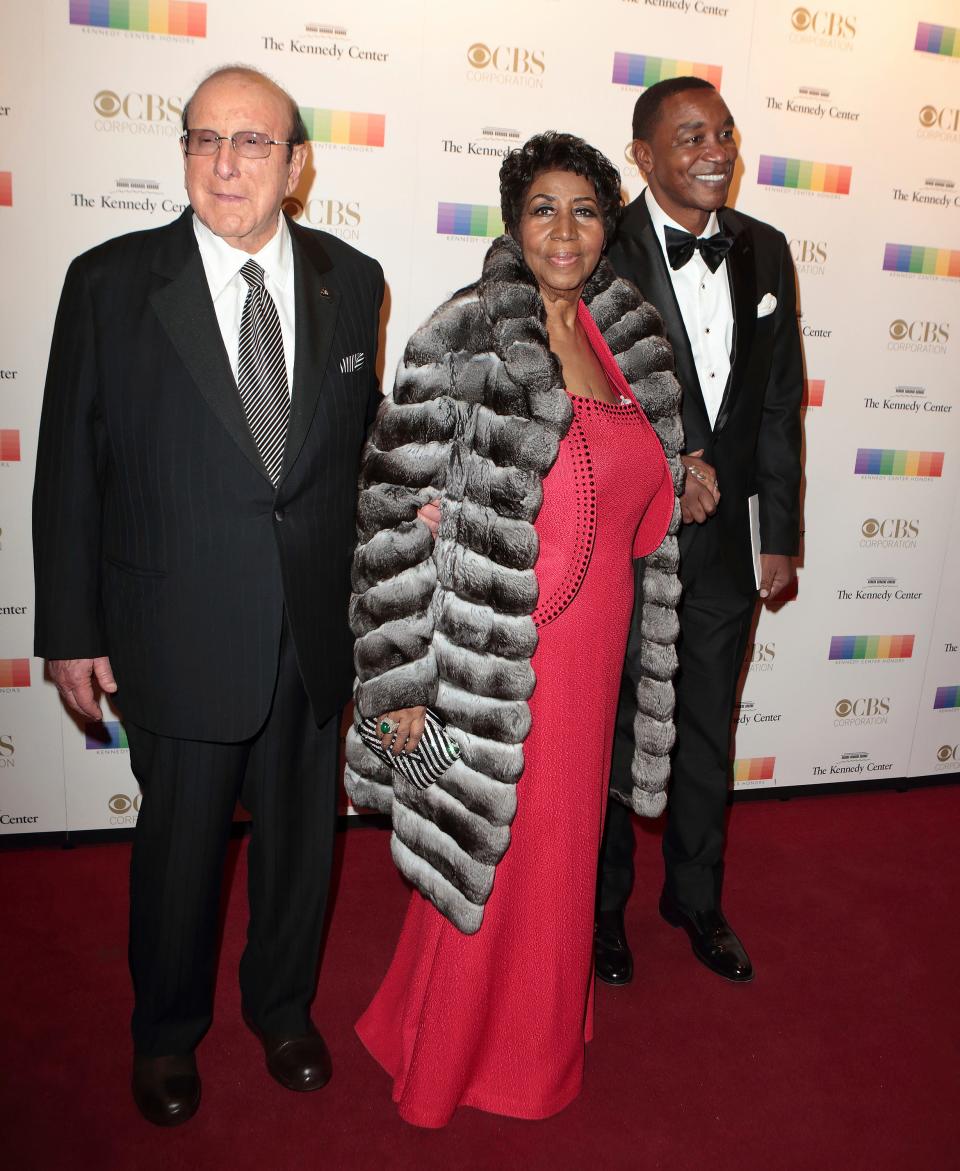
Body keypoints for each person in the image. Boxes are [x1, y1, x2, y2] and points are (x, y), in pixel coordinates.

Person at [32, 65, 384, 1126]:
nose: (225, 163)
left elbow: (353, 454)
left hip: (311, 631)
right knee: (179, 853)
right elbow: (67, 471)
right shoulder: (110, 282)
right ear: (184, 151)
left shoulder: (353, 278)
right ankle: (166, 1032)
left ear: (298, 164)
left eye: (253, 143)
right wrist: (69, 629)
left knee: (301, 847)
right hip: (175, 624)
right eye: (204, 140)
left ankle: (281, 1007)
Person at [344, 132, 683, 1127]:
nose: (566, 230)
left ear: (608, 225)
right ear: (512, 221)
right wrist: (398, 680)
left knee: (562, 855)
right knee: (481, 850)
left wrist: (683, 475)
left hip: (594, 654)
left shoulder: (625, 339)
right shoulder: (465, 332)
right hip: (493, 652)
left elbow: (637, 495)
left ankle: (534, 1035)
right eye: (544, 208)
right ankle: (444, 1051)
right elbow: (391, 510)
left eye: (585, 209)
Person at [594, 78, 803, 986]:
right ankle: (600, 911)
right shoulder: (596, 249)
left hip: (722, 551)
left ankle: (695, 895)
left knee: (706, 728)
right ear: (643, 157)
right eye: (689, 137)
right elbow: (576, 402)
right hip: (620, 540)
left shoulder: (767, 250)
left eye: (723, 132)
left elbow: (781, 399)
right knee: (609, 730)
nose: (715, 149)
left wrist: (781, 534)